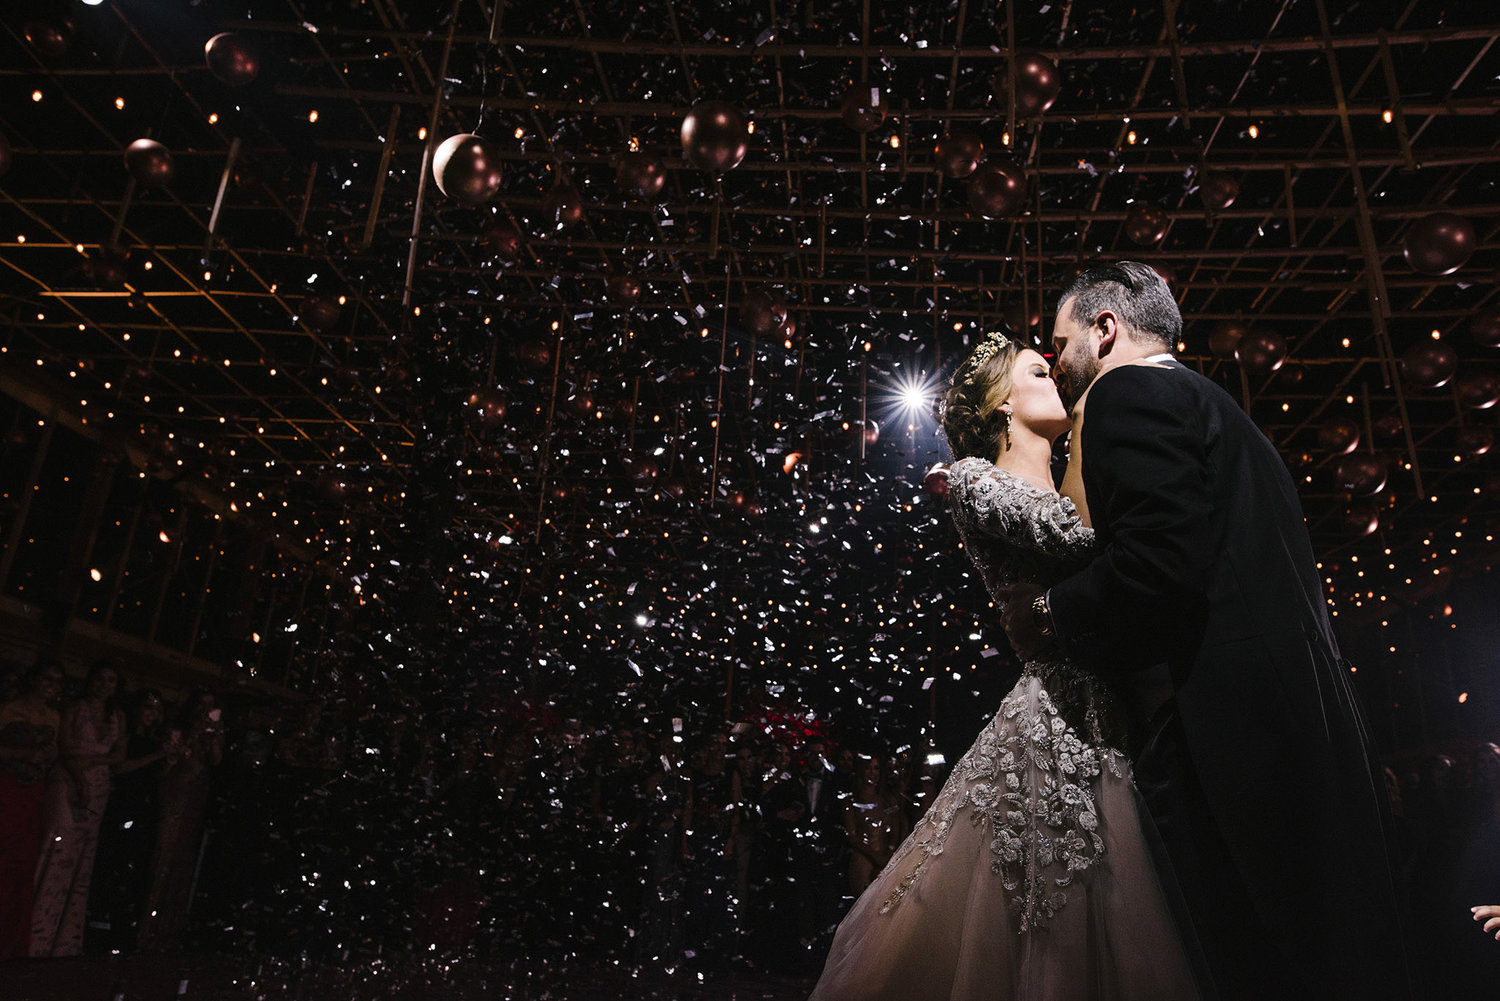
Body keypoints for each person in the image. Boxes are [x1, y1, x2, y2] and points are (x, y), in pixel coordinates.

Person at [1000, 261, 1410, 1000]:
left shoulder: (1126, 392)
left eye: (1059, 344)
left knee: (1234, 960)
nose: (1058, 365)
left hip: (1222, 742)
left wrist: (1049, 612)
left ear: (1105, 328)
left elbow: (1158, 564)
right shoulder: (1219, 407)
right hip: (1298, 731)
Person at [810, 331, 1205, 1000]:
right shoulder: (973, 478)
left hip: (1117, 718)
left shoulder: (1076, 470)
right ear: (1000, 403)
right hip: (1052, 718)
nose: (1056, 375)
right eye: (1036, 369)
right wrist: (1087, 425)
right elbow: (1076, 540)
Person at [31, 659, 126, 957]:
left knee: (81, 859)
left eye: (111, 680)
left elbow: (119, 754)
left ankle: (61, 942)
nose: (104, 685)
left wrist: (94, 762)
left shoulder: (117, 715)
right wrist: (83, 770)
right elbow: (67, 747)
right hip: (68, 781)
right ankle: (34, 933)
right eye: (100, 679)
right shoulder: (74, 708)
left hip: (98, 786)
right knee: (56, 849)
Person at [0, 659, 64, 958]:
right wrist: (26, 754)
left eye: (56, 681)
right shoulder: (10, 708)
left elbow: (52, 757)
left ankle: (11, 942)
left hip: (34, 791)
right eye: (46, 678)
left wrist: (44, 760)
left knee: (23, 863)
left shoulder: (53, 716)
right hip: (7, 785)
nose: (50, 685)